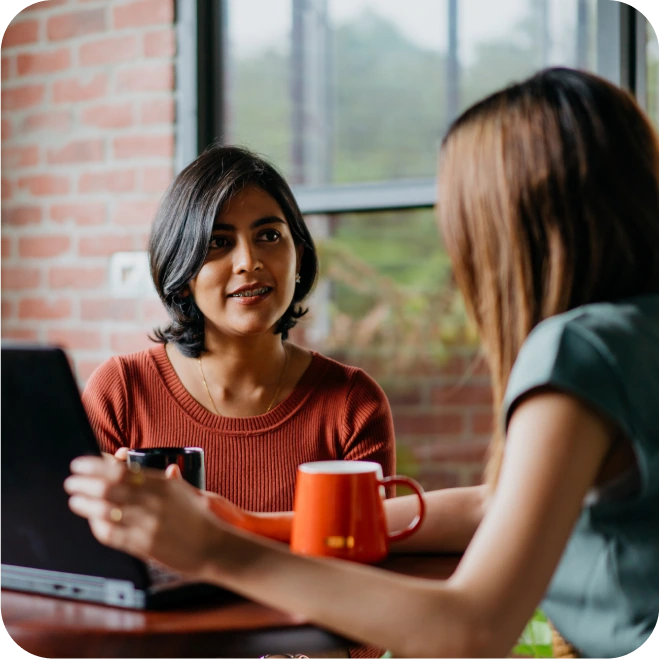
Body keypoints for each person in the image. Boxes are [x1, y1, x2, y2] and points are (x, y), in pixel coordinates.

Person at [65, 67, 659, 659]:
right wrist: (248, 523)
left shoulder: (580, 351)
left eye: (460, 212)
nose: (456, 245)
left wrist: (216, 548)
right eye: (217, 243)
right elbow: (492, 502)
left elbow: (471, 631)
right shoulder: (636, 333)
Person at [83, 145, 396, 658]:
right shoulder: (120, 390)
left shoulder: (352, 403)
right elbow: (82, 585)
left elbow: (370, 607)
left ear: (299, 253)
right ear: (181, 266)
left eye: (269, 236)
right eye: (218, 242)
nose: (249, 262)